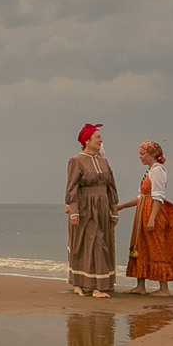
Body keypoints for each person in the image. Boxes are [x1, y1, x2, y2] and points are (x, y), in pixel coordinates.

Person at [118, 140, 173, 293]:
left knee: (157, 246)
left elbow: (158, 196)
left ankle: (164, 288)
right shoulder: (150, 170)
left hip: (153, 212)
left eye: (142, 154)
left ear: (152, 154)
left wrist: (152, 218)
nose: (140, 157)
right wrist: (122, 206)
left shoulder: (158, 170)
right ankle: (140, 286)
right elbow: (142, 197)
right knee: (141, 246)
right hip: (143, 212)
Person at [64, 123, 118, 298]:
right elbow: (72, 187)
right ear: (87, 141)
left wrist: (113, 210)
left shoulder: (103, 162)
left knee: (102, 243)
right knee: (86, 244)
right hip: (86, 207)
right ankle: (82, 284)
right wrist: (74, 211)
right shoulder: (76, 161)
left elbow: (111, 187)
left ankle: (98, 285)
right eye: (97, 137)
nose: (101, 140)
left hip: (102, 207)